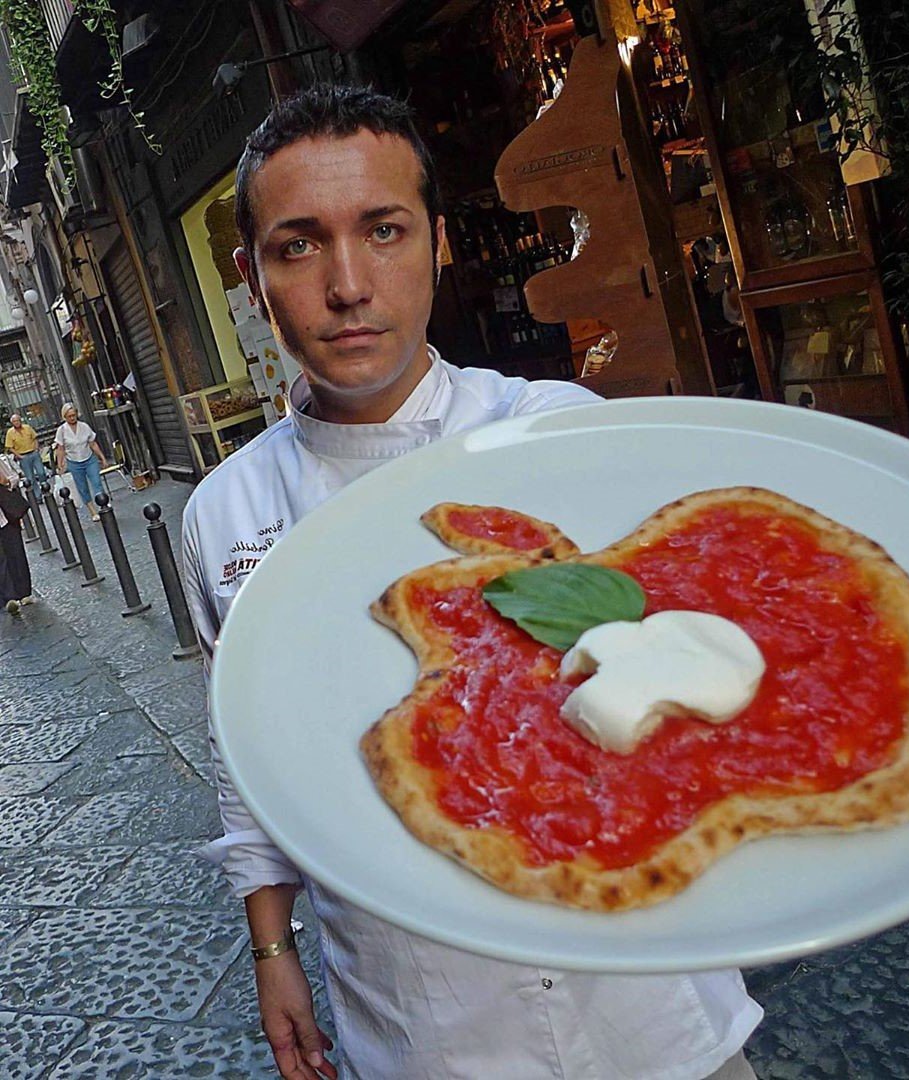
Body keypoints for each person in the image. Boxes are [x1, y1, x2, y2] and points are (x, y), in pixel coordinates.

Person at [182, 84, 762, 1080]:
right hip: (424, 1028)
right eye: (298, 245)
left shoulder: (560, 433)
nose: (349, 283)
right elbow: (247, 752)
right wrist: (272, 947)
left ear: (440, 243)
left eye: (385, 230)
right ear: (251, 275)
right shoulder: (223, 515)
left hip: (652, 1007)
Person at [52, 402, 108, 521]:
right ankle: (93, 511)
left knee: (96, 482)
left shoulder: (84, 426)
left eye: (74, 415)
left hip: (89, 459)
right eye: (69, 416)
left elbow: (92, 443)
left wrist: (102, 457)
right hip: (74, 462)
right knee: (82, 487)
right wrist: (60, 464)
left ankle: (103, 502)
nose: (72, 418)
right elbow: (60, 449)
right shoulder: (61, 430)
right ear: (64, 417)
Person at [0, 454, 33, 614]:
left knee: (16, 552)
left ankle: (23, 592)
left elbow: (13, 478)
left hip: (6, 515)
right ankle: (9, 598)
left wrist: (5, 481)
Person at [4, 413, 48, 500]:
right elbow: (9, 447)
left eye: (18, 420)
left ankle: (45, 488)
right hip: (23, 456)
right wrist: (19, 456)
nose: (17, 422)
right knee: (30, 477)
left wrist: (36, 449)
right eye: (14, 421)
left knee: (41, 472)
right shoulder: (10, 433)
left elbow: (35, 438)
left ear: (20, 420)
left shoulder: (27, 428)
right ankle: (38, 496)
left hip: (33, 453)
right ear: (12, 423)